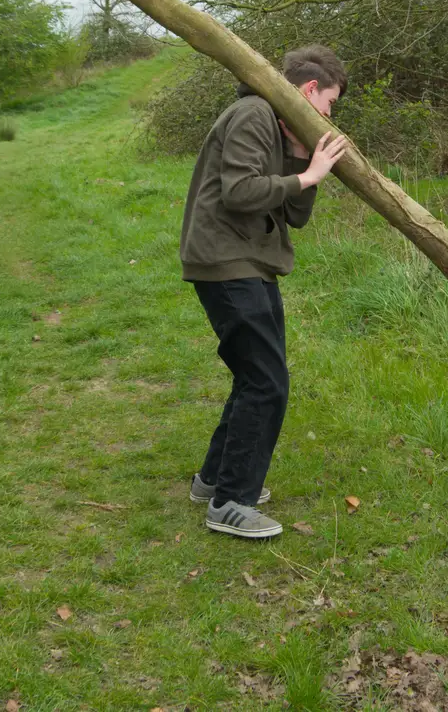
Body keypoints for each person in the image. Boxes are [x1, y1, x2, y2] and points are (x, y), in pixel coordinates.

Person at [180, 45, 350, 538]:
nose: (329, 118)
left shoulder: (279, 127)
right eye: (329, 105)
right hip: (225, 261)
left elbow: (294, 213)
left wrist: (302, 159)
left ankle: (214, 481)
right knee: (267, 382)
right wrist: (309, 174)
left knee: (254, 376)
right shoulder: (253, 112)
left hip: (251, 262)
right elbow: (238, 192)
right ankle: (232, 503)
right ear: (309, 90)